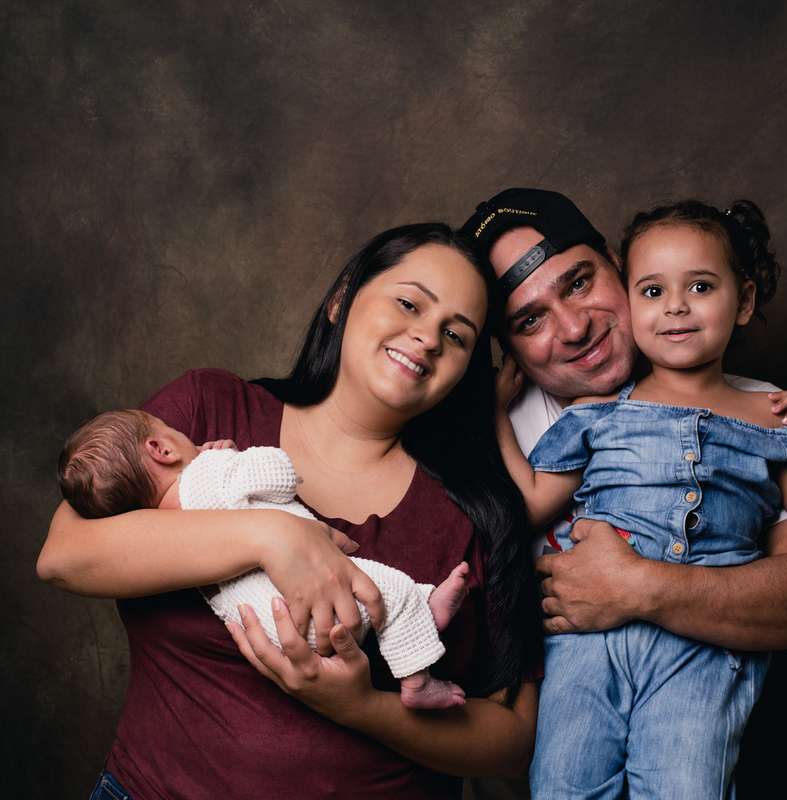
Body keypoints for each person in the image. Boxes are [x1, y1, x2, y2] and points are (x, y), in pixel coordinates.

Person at [38, 223, 542, 800]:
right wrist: (270, 536)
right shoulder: (207, 414)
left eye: (456, 335)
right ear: (342, 298)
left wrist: (363, 709)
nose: (428, 338)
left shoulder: (478, 511)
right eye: (409, 303)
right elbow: (64, 556)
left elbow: (514, 742)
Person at [458, 188, 787, 797]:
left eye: (579, 283)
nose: (574, 328)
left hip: (690, 698)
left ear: (619, 268)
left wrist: (639, 587)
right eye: (529, 320)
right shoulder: (484, 446)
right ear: (505, 347)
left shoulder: (759, 411)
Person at [57, 408, 474, 709]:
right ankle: (417, 679)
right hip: (310, 603)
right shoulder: (205, 472)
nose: (188, 437)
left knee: (377, 588)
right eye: (172, 430)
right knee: (387, 591)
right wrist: (236, 458)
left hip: (273, 633)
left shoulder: (160, 534)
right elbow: (277, 475)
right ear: (160, 449)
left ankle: (421, 606)